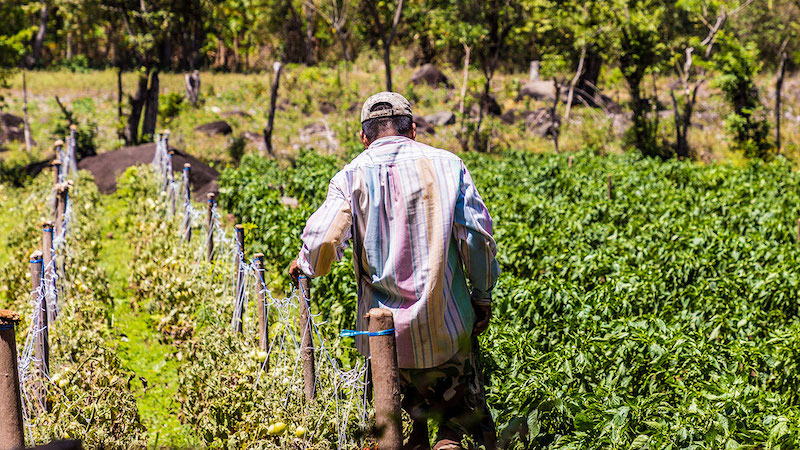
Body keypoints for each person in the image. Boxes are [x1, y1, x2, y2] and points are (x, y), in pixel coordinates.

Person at [290, 92, 500, 450]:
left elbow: (325, 241)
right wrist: (481, 295)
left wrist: (306, 263)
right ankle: (448, 441)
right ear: (413, 130)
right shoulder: (449, 165)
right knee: (454, 423)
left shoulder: (350, 176)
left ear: (364, 137)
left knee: (402, 427)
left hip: (385, 340)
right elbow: (477, 238)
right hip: (447, 328)